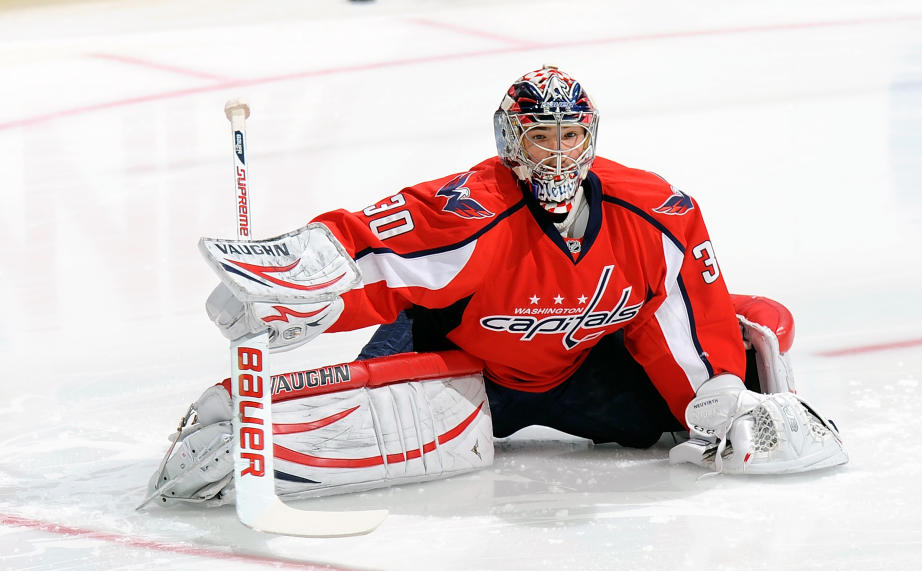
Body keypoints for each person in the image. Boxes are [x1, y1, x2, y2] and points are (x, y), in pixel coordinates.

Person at [145, 66, 847, 507]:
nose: (558, 152)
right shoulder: (471, 208)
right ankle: (243, 428)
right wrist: (294, 298)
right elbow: (373, 256)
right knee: (351, 431)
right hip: (458, 363)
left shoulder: (657, 212)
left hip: (581, 371)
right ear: (511, 139)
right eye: (540, 136)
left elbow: (681, 315)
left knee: (723, 383)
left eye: (572, 135)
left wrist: (720, 388)